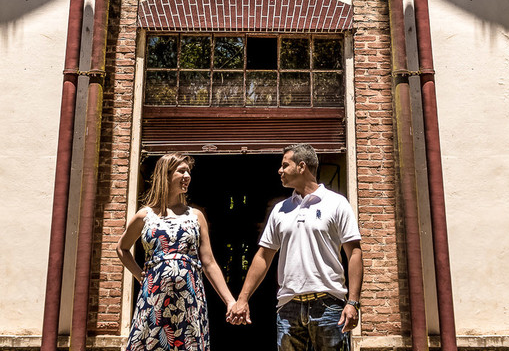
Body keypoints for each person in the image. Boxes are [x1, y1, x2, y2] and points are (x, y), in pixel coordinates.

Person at [226, 144, 363, 351]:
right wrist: (242, 299)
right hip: (288, 308)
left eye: (284, 165)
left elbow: (354, 253)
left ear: (301, 166)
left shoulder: (337, 204)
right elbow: (263, 256)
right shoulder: (281, 209)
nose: (279, 171)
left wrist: (352, 302)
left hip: (328, 306)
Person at [117, 153, 236, 351]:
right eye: (181, 171)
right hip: (153, 298)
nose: (187, 175)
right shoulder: (145, 215)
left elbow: (209, 263)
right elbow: (122, 248)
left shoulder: (196, 216)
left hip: (188, 300)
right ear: (166, 174)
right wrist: (140, 275)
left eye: (188, 171)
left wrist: (230, 300)